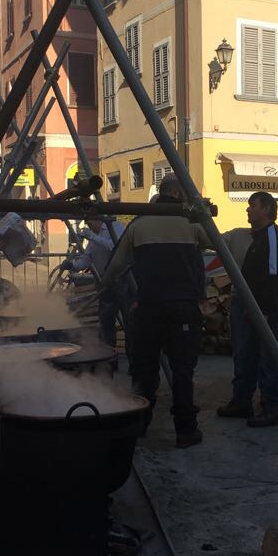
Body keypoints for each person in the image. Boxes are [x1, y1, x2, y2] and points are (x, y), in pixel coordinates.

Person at [104, 174, 209, 448]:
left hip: (148, 309)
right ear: (177, 193)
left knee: (144, 369)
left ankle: (139, 424)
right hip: (183, 308)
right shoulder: (190, 222)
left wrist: (107, 285)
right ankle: (186, 430)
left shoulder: (139, 223)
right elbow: (213, 240)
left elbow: (116, 265)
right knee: (183, 371)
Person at [217, 192, 278, 427]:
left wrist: (264, 310)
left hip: (268, 306)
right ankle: (242, 401)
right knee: (246, 353)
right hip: (253, 305)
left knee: (270, 356)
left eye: (253, 205)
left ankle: (273, 408)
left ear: (267, 209)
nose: (248, 209)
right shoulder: (258, 237)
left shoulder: (272, 237)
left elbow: (273, 277)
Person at [64, 212, 128, 348]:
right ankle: (109, 351)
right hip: (105, 282)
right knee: (106, 320)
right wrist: (72, 265)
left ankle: (133, 352)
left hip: (123, 280)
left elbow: (115, 247)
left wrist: (93, 237)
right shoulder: (93, 238)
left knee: (129, 318)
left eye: (89, 222)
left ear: (96, 220)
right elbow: (86, 260)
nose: (89, 226)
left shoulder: (114, 227)